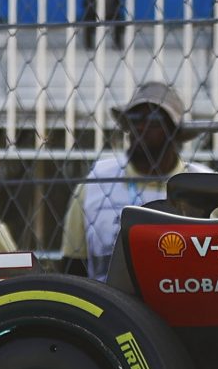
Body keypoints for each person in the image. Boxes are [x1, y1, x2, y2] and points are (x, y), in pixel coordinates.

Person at [57, 80, 209, 279]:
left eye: (154, 119)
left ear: (174, 131)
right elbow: (73, 265)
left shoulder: (202, 185)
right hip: (106, 297)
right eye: (135, 118)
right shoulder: (97, 182)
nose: (141, 127)